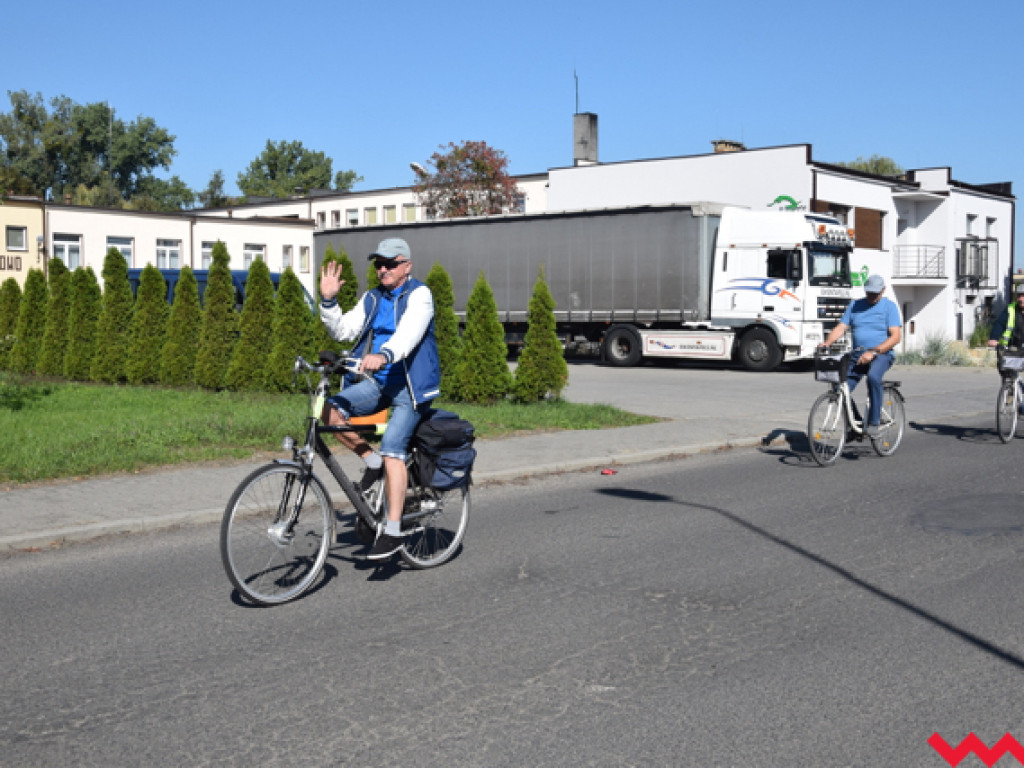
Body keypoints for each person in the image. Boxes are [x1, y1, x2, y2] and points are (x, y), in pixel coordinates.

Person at [319, 237, 441, 561]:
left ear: (407, 266)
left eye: (390, 263)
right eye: (378, 264)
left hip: (410, 388)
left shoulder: (420, 295)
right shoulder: (373, 298)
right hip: (380, 382)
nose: (383, 269)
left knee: (393, 448)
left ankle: (393, 531)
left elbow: (409, 334)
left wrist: (384, 354)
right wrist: (328, 302)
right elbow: (344, 330)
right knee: (330, 412)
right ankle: (370, 462)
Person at [820, 274, 903, 437]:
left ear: (883, 291)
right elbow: (841, 327)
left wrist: (873, 352)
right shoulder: (855, 305)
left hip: (881, 354)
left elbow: (895, 337)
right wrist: (827, 343)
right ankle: (855, 423)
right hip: (858, 354)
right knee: (840, 387)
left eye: (875, 293)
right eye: (869, 292)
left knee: (873, 377)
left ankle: (874, 421)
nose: (871, 296)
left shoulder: (889, 307)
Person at [986, 283, 1024, 350]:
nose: (1021, 299)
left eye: (1023, 296)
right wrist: (994, 338)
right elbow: (999, 324)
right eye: (1019, 296)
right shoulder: (1011, 309)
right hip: (1012, 348)